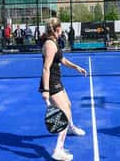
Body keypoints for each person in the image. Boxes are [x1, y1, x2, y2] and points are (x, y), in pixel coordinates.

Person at [39, 17, 87, 160]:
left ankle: (71, 128)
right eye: (60, 29)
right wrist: (46, 91)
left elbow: (62, 60)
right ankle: (58, 150)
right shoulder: (50, 45)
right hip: (51, 83)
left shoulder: (55, 42)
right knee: (64, 114)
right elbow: (46, 68)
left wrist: (76, 67)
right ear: (55, 29)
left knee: (69, 105)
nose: (62, 31)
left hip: (56, 81)